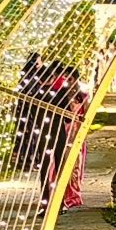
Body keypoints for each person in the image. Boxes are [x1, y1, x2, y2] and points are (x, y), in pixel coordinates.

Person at [38, 66, 79, 214]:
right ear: (53, 77)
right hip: (58, 135)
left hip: (42, 134)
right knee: (60, 169)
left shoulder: (35, 94)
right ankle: (59, 203)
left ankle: (44, 203)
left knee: (44, 170)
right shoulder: (61, 93)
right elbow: (68, 119)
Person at [60, 89, 89, 210]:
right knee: (59, 165)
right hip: (63, 131)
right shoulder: (61, 95)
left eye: (71, 79)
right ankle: (60, 195)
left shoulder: (83, 96)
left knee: (74, 166)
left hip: (76, 132)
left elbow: (87, 116)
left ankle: (72, 195)